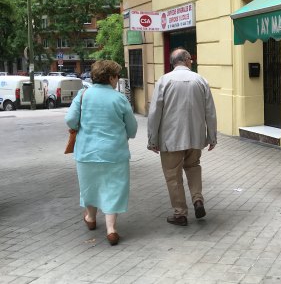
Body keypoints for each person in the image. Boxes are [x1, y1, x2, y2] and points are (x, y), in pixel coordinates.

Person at [65, 60, 137, 246]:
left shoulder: (83, 95)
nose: (117, 80)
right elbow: (132, 128)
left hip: (86, 152)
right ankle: (111, 229)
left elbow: (71, 119)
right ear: (111, 77)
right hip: (115, 153)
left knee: (90, 185)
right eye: (117, 76)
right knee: (114, 188)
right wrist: (125, 135)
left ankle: (90, 217)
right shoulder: (119, 98)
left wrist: (79, 127)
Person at [147, 48, 217, 226]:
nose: (191, 61)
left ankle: (180, 213)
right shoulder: (200, 80)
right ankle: (197, 200)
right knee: (193, 167)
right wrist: (212, 136)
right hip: (195, 137)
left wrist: (152, 139)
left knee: (173, 176)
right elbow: (210, 112)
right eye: (190, 59)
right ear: (185, 60)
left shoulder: (164, 81)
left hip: (171, 139)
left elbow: (155, 112)